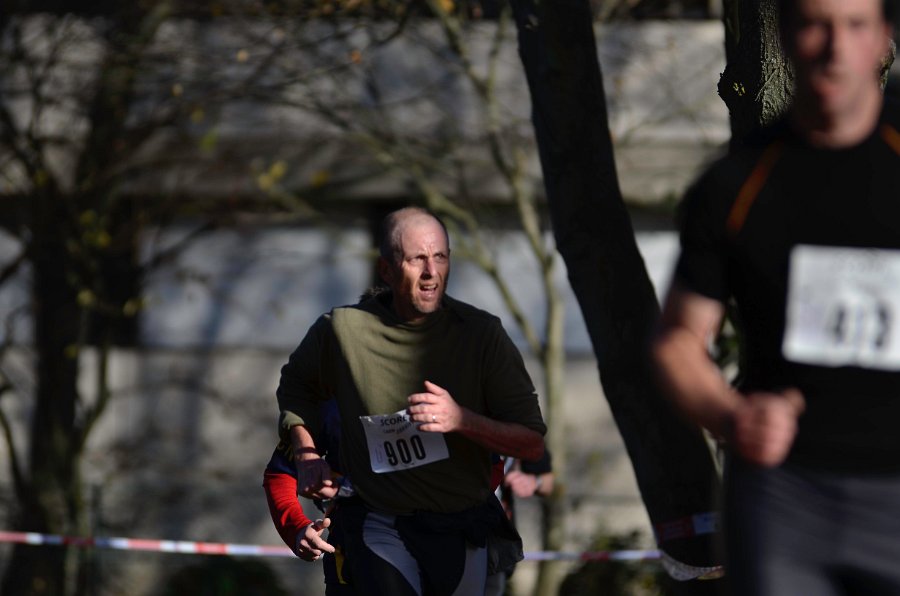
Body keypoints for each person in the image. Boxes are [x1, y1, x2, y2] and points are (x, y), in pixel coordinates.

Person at [652, 1, 900, 594]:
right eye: (816, 25)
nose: (836, 49)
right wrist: (732, 416)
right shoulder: (736, 184)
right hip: (784, 495)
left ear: (883, 40)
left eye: (856, 25)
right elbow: (678, 342)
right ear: (786, 36)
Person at [276, 206, 546, 596]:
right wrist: (306, 454)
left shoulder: (482, 335)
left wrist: (462, 420)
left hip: (461, 524)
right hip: (380, 520)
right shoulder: (342, 331)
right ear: (386, 270)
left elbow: (531, 442)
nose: (431, 271)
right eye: (417, 258)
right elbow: (296, 385)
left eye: (440, 257)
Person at [485, 450, 554, 596]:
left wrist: (534, 481)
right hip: (449, 529)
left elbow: (548, 481)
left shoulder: (520, 435)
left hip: (496, 541)